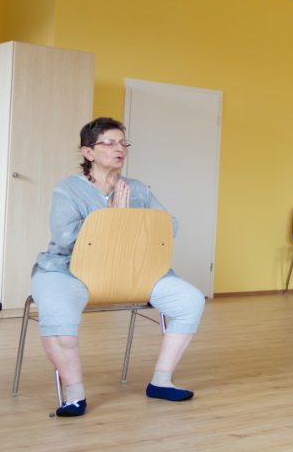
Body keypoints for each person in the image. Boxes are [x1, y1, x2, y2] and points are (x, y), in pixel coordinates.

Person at [30, 117, 206, 417]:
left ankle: (161, 381)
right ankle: (74, 395)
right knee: (59, 317)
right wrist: (111, 217)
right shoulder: (68, 189)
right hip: (69, 270)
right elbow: (65, 236)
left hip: (130, 271)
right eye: (109, 142)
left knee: (189, 300)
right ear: (88, 153)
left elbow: (169, 226)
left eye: (123, 142)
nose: (119, 148)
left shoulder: (136, 188)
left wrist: (127, 219)